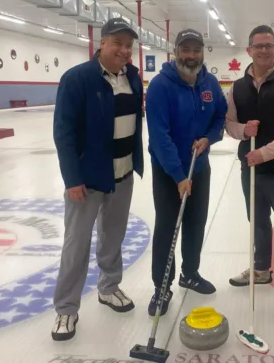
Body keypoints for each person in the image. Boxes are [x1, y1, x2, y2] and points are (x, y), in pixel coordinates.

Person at [51, 18, 144, 341]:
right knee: (77, 245)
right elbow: (63, 133)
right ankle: (65, 309)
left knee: (113, 237)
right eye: (117, 43)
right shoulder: (77, 79)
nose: (124, 50)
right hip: (87, 180)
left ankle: (109, 287)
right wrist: (72, 178)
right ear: (101, 43)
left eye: (128, 45)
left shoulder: (132, 77)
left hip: (123, 174)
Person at [145, 29, 228, 316]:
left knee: (195, 224)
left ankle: (189, 273)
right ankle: (161, 287)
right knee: (168, 228)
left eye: (196, 49)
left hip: (199, 168)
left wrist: (209, 138)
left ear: (203, 51)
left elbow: (220, 116)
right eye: (185, 49)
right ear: (175, 51)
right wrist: (179, 176)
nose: (191, 55)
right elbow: (159, 136)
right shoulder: (160, 86)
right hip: (169, 172)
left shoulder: (210, 83)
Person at [225, 25, 274, 315]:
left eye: (268, 45)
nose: (263, 50)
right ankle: (261, 269)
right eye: (258, 46)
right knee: (257, 221)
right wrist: (243, 131)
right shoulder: (237, 87)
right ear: (248, 50)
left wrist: (264, 153)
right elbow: (229, 123)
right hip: (251, 169)